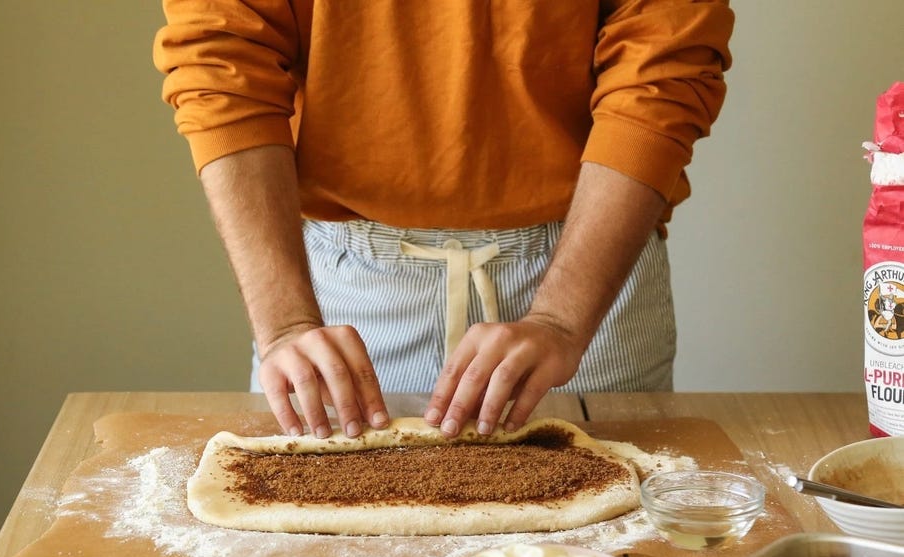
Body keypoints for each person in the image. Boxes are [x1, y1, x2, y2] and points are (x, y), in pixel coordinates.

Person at [154, 1, 734, 440]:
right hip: (341, 294)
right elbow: (222, 65)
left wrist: (560, 319)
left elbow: (659, 67)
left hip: (583, 279)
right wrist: (284, 324)